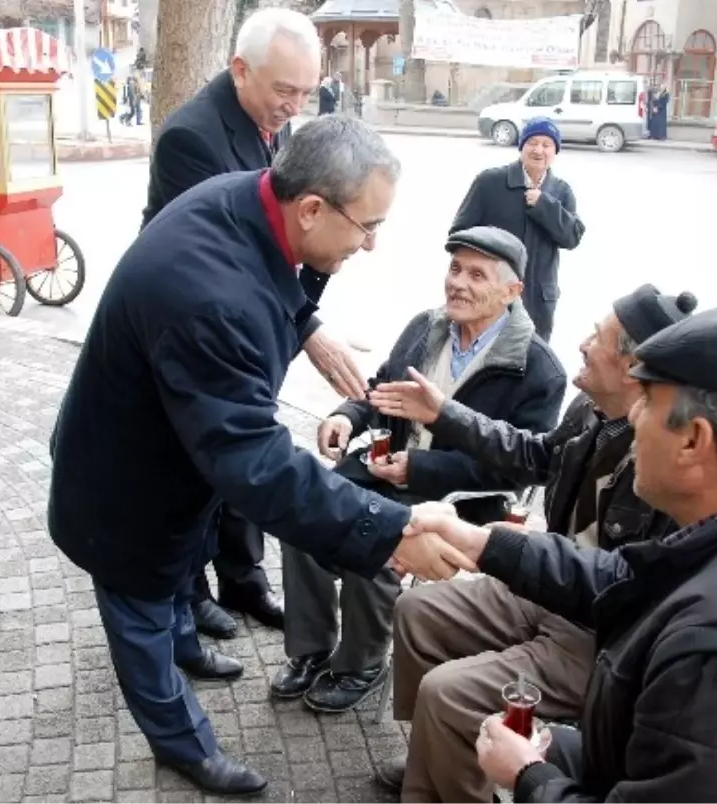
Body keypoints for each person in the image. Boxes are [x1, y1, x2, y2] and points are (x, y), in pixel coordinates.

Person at [49, 115, 474, 797]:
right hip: (122, 488)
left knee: (170, 582)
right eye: (367, 227)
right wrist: (392, 532)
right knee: (139, 611)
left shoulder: (247, 203)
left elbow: (276, 302)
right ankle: (182, 743)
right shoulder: (209, 294)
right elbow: (256, 462)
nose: (368, 246)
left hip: (175, 459)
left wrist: (307, 323)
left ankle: (185, 643)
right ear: (310, 207)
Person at [408, 302, 717, 803]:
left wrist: (529, 778)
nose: (631, 418)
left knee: (477, 715)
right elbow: (626, 576)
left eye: (647, 401)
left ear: (694, 441)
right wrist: (483, 541)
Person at [366, 284, 697, 803]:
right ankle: (435, 753)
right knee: (416, 609)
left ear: (635, 369)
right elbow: (534, 453)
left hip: (601, 630)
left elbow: (628, 584)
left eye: (598, 337)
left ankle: (449, 774)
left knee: (447, 691)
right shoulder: (590, 409)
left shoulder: (666, 458)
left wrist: (507, 547)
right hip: (549, 583)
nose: (583, 344)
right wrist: (444, 413)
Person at [140, 8, 368, 641]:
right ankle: (187, 596)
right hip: (195, 332)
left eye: (305, 93)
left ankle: (243, 579)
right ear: (240, 69)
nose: (292, 108)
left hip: (250, 325)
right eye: (282, 91)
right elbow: (242, 260)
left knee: (250, 439)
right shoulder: (193, 139)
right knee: (204, 459)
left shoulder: (270, 127)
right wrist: (311, 329)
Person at [273, 226, 568, 715]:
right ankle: (310, 649)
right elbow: (381, 388)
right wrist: (347, 415)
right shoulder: (426, 327)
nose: (458, 283)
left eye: (477, 274)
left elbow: (518, 471)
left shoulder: (537, 369)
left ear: (512, 291)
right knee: (306, 516)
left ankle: (362, 664)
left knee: (377, 542)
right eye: (455, 269)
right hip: (385, 468)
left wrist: (421, 468)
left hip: (457, 501)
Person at [452, 117, 584, 341]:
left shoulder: (561, 192)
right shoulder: (490, 182)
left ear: (555, 151)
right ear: (521, 146)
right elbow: (459, 233)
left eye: (546, 145)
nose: (539, 150)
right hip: (489, 293)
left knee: (530, 363)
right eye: (532, 142)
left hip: (538, 299)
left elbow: (571, 237)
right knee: (481, 352)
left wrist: (543, 205)